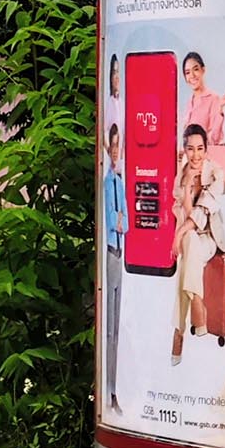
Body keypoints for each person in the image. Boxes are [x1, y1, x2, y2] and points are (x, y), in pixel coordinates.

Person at [170, 123, 225, 364]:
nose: (195, 155)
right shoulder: (181, 173)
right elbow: (183, 212)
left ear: (206, 149)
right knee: (189, 247)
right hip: (190, 241)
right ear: (185, 149)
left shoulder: (216, 173)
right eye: (191, 149)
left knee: (190, 243)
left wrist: (177, 235)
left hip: (209, 239)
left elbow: (201, 215)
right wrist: (186, 185)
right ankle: (196, 301)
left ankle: (178, 333)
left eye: (200, 149)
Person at [102, 122, 126, 413]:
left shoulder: (119, 182)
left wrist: (120, 220)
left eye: (120, 145)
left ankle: (115, 390)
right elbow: (113, 220)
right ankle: (109, 393)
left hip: (120, 252)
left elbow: (126, 220)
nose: (117, 150)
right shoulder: (108, 182)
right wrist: (118, 220)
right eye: (114, 145)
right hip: (110, 251)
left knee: (117, 329)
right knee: (108, 330)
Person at [181, 51, 225, 145]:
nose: (192, 75)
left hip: (206, 156)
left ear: (203, 70)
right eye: (188, 72)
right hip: (189, 157)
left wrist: (220, 108)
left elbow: (215, 139)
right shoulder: (189, 102)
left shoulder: (213, 98)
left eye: (196, 69)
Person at [105, 54, 124, 163]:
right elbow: (104, 132)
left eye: (118, 73)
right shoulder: (109, 102)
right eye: (114, 73)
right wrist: (109, 150)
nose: (116, 77)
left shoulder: (122, 102)